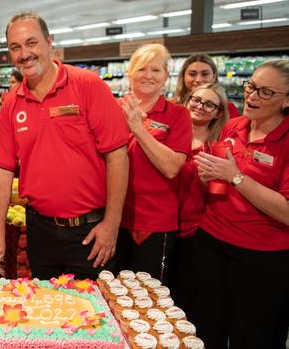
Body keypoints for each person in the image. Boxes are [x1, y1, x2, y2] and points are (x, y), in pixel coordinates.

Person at [0, 12, 129, 280]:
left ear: (49, 42)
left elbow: (117, 155)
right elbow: (1, 169)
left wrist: (112, 224)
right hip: (39, 231)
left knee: (92, 317)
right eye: (15, 47)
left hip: (89, 232)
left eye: (31, 43)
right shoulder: (11, 103)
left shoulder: (88, 86)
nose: (24, 54)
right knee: (47, 313)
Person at [193, 60, 289, 349]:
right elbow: (216, 186)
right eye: (251, 87)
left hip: (261, 257)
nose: (252, 96)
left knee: (252, 335)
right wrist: (206, 177)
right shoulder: (234, 126)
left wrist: (235, 177)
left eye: (266, 92)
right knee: (206, 328)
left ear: (286, 101)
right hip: (211, 242)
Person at [115, 44, 192, 282]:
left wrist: (138, 128)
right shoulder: (111, 109)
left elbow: (171, 167)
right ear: (130, 73)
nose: (148, 75)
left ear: (166, 76)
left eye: (156, 70)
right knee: (112, 290)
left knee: (148, 295)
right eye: (141, 69)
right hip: (114, 219)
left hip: (154, 224)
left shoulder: (177, 114)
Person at [171, 83, 229, 320]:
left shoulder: (218, 147)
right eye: (196, 99)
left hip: (194, 231)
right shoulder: (171, 135)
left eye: (209, 104)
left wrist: (208, 181)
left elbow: (219, 193)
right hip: (161, 223)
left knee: (186, 295)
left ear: (218, 113)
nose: (200, 106)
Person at [171, 53, 240, 119]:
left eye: (205, 74)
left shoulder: (227, 108)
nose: (198, 79)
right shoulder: (170, 106)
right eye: (192, 74)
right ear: (183, 76)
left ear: (214, 76)